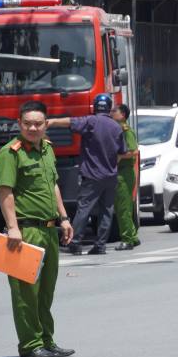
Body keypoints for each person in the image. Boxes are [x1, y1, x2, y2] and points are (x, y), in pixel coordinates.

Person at [0, 100, 75, 357]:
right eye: (27, 123)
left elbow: (53, 186)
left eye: (38, 123)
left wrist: (64, 218)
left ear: (45, 125)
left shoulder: (47, 149)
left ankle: (46, 341)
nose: (32, 128)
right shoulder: (10, 153)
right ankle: (30, 346)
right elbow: (5, 191)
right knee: (26, 293)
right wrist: (13, 227)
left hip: (50, 230)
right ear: (19, 124)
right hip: (26, 231)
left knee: (45, 291)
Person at [47, 94, 127, 256]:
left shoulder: (91, 121)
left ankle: (75, 242)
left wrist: (51, 121)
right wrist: (110, 166)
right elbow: (121, 152)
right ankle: (100, 245)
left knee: (84, 209)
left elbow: (70, 122)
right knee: (106, 211)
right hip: (110, 176)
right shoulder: (116, 127)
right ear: (109, 107)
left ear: (95, 106)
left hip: (92, 175)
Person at [111, 104, 140, 251]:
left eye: (114, 111)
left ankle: (127, 239)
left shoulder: (125, 130)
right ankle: (133, 236)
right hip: (121, 172)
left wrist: (118, 157)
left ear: (122, 115)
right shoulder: (117, 129)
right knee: (123, 206)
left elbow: (133, 151)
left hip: (124, 172)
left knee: (123, 208)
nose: (111, 113)